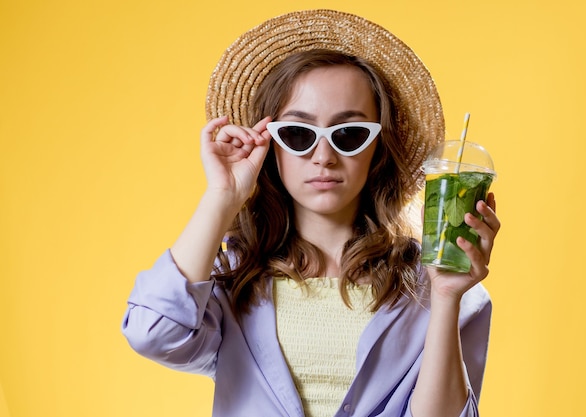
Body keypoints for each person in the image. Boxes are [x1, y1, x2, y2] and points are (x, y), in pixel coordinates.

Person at [122, 9, 500, 417]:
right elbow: (153, 333)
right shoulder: (233, 276)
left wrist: (445, 298)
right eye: (298, 134)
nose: (324, 157)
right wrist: (223, 195)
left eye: (349, 134)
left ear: (377, 149)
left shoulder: (436, 286)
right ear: (271, 146)